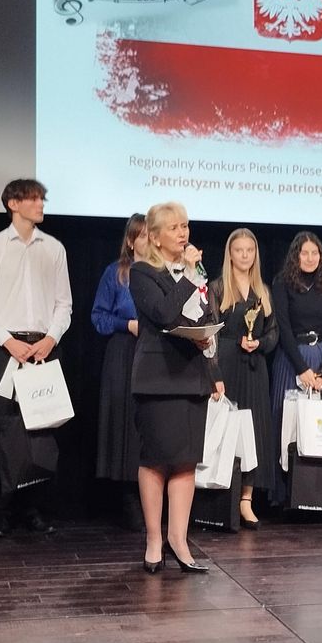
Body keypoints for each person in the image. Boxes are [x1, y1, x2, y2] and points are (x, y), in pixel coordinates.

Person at [0, 178, 73, 537]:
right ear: (13, 204)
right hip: (7, 350)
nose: (41, 204)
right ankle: (2, 509)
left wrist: (51, 338)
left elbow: (64, 303)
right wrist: (7, 341)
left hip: (44, 348)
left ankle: (35, 507)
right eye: (33, 198)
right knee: (4, 428)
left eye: (42, 198)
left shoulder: (54, 248)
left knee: (41, 429)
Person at [130, 202, 222, 573]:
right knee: (155, 460)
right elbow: (165, 314)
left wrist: (207, 340)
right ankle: (154, 539)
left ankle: (179, 540)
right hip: (158, 379)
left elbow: (206, 314)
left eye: (185, 226)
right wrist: (187, 274)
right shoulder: (143, 272)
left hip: (192, 376)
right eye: (173, 228)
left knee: (186, 462)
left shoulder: (196, 272)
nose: (183, 233)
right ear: (155, 237)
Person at [211, 228, 279, 528]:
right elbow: (210, 334)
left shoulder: (263, 290)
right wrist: (214, 372)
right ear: (230, 254)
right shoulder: (217, 289)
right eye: (239, 250)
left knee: (253, 434)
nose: (245, 255)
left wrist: (259, 343)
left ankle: (246, 499)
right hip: (227, 367)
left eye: (250, 250)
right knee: (225, 432)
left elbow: (273, 332)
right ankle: (220, 497)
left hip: (254, 369)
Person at [269, 232, 322, 504]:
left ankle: (320, 494)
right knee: (286, 425)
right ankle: (284, 495)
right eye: (304, 253)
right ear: (295, 256)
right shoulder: (282, 284)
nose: (310, 258)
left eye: (314, 253)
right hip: (292, 361)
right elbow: (284, 327)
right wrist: (301, 368)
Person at [91, 213, 148, 527]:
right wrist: (127, 324)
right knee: (125, 424)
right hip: (124, 353)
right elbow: (98, 318)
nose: (148, 241)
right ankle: (129, 497)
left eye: (152, 235)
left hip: (155, 355)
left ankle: (152, 496)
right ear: (130, 240)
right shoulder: (116, 273)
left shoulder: (164, 272)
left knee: (150, 426)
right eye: (142, 236)